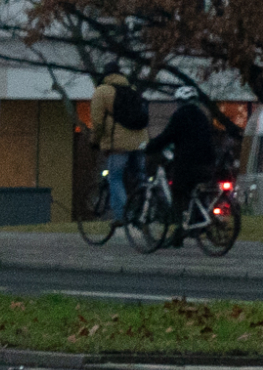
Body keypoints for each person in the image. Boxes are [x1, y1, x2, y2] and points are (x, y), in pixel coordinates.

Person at [150, 87, 221, 241]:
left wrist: (150, 146)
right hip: (207, 163)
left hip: (188, 164)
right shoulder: (202, 116)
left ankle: (179, 229)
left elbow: (167, 136)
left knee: (179, 192)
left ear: (180, 102)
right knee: (195, 193)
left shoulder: (180, 116)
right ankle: (195, 224)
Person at [88, 69, 148, 220]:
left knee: (115, 178)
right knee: (140, 177)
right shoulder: (133, 89)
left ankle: (123, 215)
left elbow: (98, 122)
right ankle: (144, 210)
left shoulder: (101, 92)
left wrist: (94, 141)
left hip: (118, 144)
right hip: (140, 142)